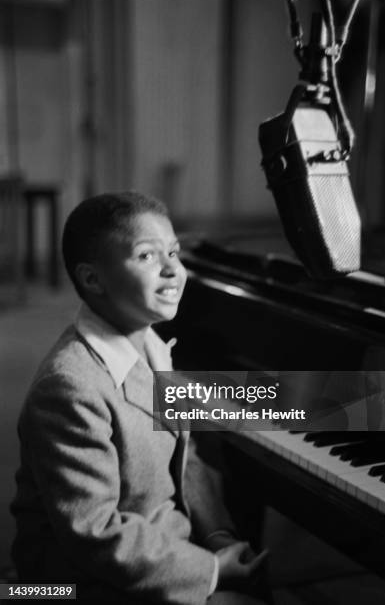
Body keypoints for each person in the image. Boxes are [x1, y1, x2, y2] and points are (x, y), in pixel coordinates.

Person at [11, 192, 270, 604]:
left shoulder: (151, 344)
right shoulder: (69, 388)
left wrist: (218, 534)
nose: (173, 270)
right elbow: (94, 533)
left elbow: (186, 462)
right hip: (74, 581)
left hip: (157, 546)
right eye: (147, 256)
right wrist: (212, 571)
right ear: (93, 279)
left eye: (174, 251)